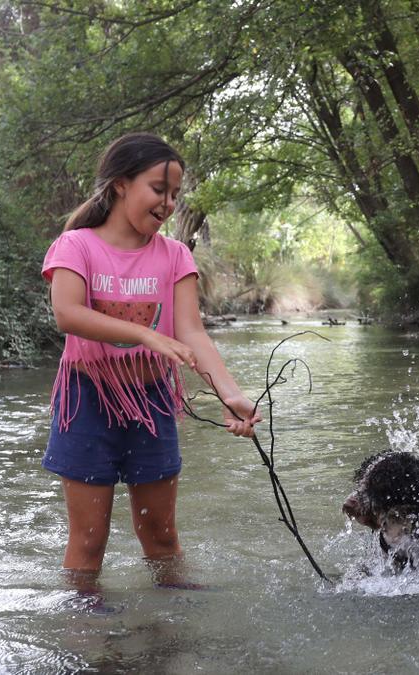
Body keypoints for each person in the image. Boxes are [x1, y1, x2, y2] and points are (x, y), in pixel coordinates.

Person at [41, 132, 261, 589]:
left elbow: (192, 332)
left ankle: (175, 631)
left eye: (176, 195)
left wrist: (231, 394)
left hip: (155, 402)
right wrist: (145, 334)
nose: (169, 203)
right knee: (89, 541)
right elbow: (67, 313)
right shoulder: (76, 246)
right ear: (121, 184)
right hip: (86, 400)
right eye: (159, 190)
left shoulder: (176, 255)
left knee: (161, 538)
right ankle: (89, 635)